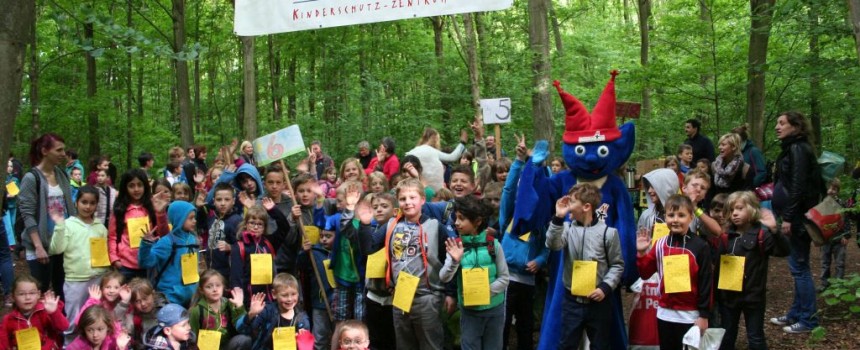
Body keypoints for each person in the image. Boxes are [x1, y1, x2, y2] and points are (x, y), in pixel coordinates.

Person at [546, 183, 624, 350]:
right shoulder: (566, 229)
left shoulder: (608, 233)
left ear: (587, 207)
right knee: (567, 344)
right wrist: (558, 218)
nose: (568, 206)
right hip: (572, 300)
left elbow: (617, 265)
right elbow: (553, 244)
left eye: (572, 202)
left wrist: (605, 287)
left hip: (598, 302)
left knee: (600, 345)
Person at [636, 195, 713, 350]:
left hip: (690, 315)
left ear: (691, 217)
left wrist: (704, 315)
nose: (675, 220)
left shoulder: (700, 246)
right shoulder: (660, 244)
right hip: (664, 313)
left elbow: (706, 283)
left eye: (681, 215)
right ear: (665, 217)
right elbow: (645, 273)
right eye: (671, 215)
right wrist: (642, 254)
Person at [769, 111, 822, 334]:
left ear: (796, 127)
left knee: (800, 268)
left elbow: (799, 185)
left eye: (782, 123)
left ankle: (809, 320)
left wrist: (789, 217)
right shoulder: (793, 148)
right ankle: (795, 313)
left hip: (798, 219)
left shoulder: (799, 148)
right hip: (794, 216)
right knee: (798, 267)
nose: (777, 127)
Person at [716, 191, 788, 350]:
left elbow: (784, 251)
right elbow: (718, 268)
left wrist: (775, 230)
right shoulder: (726, 237)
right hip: (729, 296)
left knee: (755, 337)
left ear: (753, 210)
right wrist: (717, 296)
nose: (735, 213)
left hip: (753, 297)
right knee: (727, 336)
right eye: (732, 210)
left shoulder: (762, 235)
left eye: (740, 208)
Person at [440, 195, 510, 350]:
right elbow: (444, 277)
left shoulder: (494, 245)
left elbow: (504, 278)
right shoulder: (456, 246)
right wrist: (454, 261)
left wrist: (485, 292)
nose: (456, 223)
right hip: (469, 312)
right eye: (456, 218)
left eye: (461, 218)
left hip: (494, 310)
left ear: (477, 221)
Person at [18, 133, 77, 299]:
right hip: (41, 245)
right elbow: (28, 215)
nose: (63, 154)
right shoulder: (31, 178)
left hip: (62, 242)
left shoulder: (62, 174)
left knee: (62, 290)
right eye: (59, 150)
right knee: (41, 291)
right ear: (44, 151)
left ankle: (62, 325)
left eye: (64, 150)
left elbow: (69, 207)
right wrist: (38, 246)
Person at [47, 185, 109, 339]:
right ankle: (70, 344)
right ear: (76, 203)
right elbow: (56, 249)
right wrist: (59, 226)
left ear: (96, 205)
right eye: (84, 202)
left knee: (95, 316)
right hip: (75, 280)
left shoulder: (100, 227)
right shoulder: (68, 224)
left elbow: (105, 252)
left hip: (98, 278)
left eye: (92, 203)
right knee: (74, 317)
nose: (88, 206)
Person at [109, 169, 170, 281]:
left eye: (139, 185)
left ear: (145, 186)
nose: (136, 189)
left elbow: (164, 234)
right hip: (126, 264)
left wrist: (161, 213)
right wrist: (114, 259)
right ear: (125, 188)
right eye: (131, 186)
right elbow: (112, 236)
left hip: (149, 261)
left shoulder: (152, 207)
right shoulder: (119, 210)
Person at [138, 200, 200, 306]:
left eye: (194, 217)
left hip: (191, 296)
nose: (194, 221)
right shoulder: (167, 242)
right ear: (179, 219)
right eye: (190, 218)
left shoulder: (193, 239)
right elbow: (146, 262)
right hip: (170, 297)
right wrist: (146, 244)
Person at [231, 202, 288, 306]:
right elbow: (236, 277)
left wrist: (272, 210)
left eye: (260, 224)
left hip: (269, 299)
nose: (255, 227)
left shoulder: (269, 243)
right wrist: (240, 303)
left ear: (264, 227)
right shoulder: (239, 246)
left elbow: (285, 227)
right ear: (246, 224)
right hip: (249, 300)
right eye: (252, 223)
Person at [241, 273, 311, 350]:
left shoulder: (302, 319)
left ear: (298, 294)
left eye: (293, 294)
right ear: (274, 294)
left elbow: (306, 347)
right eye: (284, 295)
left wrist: (303, 340)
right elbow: (246, 331)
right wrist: (251, 314)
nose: (290, 299)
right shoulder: (267, 311)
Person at [0, 275, 70, 349]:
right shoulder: (8, 320)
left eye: (32, 293)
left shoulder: (45, 312)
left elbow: (63, 327)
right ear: (13, 297)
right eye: (21, 294)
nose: (27, 297)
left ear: (38, 294)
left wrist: (54, 312)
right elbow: (2, 342)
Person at [189, 270, 251, 350]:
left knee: (244, 339)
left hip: (226, 345)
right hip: (206, 348)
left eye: (218, 285)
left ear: (223, 287)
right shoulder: (197, 311)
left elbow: (241, 327)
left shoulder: (229, 303)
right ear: (202, 290)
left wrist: (240, 307)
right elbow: (192, 336)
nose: (214, 289)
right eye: (209, 287)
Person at [296, 224, 335, 350]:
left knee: (337, 335)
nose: (324, 239)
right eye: (322, 236)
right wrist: (304, 252)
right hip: (319, 303)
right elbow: (300, 265)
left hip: (338, 302)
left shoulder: (341, 253)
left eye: (328, 236)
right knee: (320, 337)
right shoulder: (313, 252)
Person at [197, 182, 241, 279]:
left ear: (233, 201)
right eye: (219, 200)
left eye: (227, 199)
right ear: (213, 201)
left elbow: (243, 246)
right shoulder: (212, 218)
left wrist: (230, 247)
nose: (222, 203)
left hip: (228, 273)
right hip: (211, 269)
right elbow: (199, 225)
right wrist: (199, 208)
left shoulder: (236, 221)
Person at [406, 127, 469, 191]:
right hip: (434, 192)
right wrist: (462, 143)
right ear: (434, 138)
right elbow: (452, 157)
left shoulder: (411, 152)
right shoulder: (432, 151)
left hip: (415, 190)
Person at [818, 178, 850, 292]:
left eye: (835, 189)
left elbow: (846, 220)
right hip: (825, 238)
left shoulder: (841, 203)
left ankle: (839, 285)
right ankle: (824, 283)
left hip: (839, 238)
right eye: (830, 188)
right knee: (825, 262)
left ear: (838, 191)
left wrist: (846, 235)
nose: (832, 191)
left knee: (839, 263)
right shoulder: (822, 202)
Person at [66, 305, 131, 350]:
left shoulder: (114, 341)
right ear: (84, 329)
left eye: (100, 329)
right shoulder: (77, 345)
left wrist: (121, 348)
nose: (95, 335)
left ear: (108, 327)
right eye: (90, 330)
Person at [731, 124, 767, 189]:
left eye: (738, 142)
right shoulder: (734, 153)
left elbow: (761, 173)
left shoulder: (753, 151)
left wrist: (750, 186)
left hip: (750, 190)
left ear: (743, 140)